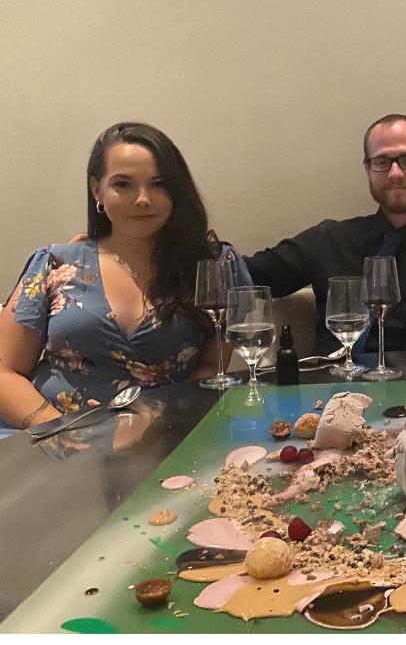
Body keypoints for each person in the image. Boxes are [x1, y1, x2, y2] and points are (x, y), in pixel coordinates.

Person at [0, 122, 252, 435]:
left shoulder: (212, 265)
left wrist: (157, 421)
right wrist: (59, 431)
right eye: (123, 184)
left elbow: (212, 370)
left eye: (159, 184)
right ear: (97, 190)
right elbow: (5, 371)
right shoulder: (55, 264)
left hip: (163, 435)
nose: (143, 199)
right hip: (46, 437)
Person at [245, 114, 406, 355]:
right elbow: (248, 276)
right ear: (368, 169)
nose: (395, 173)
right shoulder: (328, 240)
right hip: (325, 387)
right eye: (382, 161)